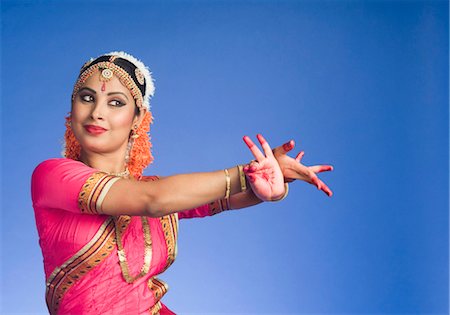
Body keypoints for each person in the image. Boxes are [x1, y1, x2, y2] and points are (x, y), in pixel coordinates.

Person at [31, 51, 333, 315]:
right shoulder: (52, 177)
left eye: (115, 102)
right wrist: (242, 174)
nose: (97, 112)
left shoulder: (156, 189)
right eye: (87, 97)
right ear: (71, 111)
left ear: (138, 119)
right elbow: (154, 200)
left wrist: (269, 181)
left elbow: (222, 199)